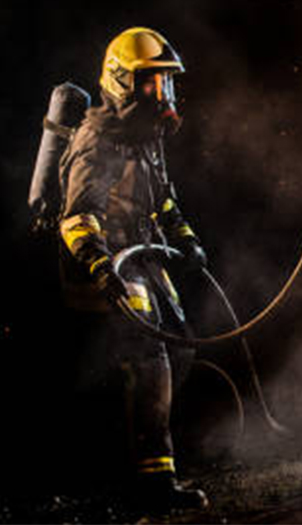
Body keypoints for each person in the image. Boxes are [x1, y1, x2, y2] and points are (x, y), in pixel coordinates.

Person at [57, 27, 208, 512]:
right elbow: (77, 217)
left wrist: (186, 239)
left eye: (165, 84)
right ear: (122, 83)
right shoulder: (95, 137)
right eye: (151, 84)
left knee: (180, 348)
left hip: (142, 253)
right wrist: (101, 266)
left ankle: (142, 461)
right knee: (150, 355)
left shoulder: (148, 137)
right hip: (107, 263)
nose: (161, 95)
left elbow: (162, 197)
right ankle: (150, 484)